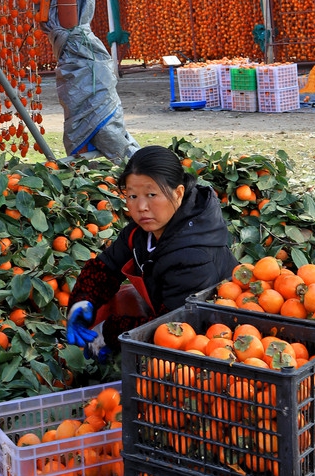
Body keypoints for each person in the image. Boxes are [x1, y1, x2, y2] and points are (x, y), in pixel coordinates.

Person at [66, 145, 237, 359]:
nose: (141, 207)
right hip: (168, 314)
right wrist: (83, 301)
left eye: (151, 194)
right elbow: (106, 267)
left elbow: (172, 327)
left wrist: (108, 333)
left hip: (214, 342)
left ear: (178, 193)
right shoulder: (142, 232)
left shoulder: (194, 254)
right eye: (132, 196)